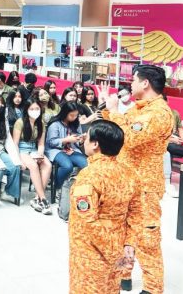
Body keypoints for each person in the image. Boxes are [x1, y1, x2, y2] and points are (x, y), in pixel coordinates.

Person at [98, 64, 173, 294]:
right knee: (122, 234)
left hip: (145, 188)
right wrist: (107, 108)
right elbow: (117, 130)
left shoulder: (159, 113)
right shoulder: (138, 109)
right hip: (126, 183)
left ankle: (152, 288)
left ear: (145, 83)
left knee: (147, 240)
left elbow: (129, 137)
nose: (129, 84)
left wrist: (115, 112)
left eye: (133, 80)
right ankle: (124, 276)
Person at [68, 120, 141, 294]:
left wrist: (114, 253)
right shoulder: (130, 173)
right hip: (120, 246)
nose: (84, 140)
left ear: (95, 144)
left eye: (87, 137)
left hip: (92, 253)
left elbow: (87, 222)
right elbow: (137, 212)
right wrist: (128, 245)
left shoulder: (89, 176)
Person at [13, 99, 53, 215]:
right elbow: (15, 143)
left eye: (37, 109)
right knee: (34, 166)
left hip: (34, 149)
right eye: (32, 109)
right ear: (26, 110)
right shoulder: (20, 122)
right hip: (22, 149)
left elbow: (41, 143)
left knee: (47, 165)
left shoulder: (41, 123)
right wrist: (18, 159)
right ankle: (44, 199)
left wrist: (40, 154)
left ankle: (36, 199)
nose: (35, 111)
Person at [45, 102, 88, 190]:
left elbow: (77, 141)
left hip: (71, 150)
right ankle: (57, 187)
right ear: (65, 113)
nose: (74, 117)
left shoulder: (76, 123)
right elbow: (51, 142)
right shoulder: (55, 124)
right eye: (72, 115)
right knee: (67, 166)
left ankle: (76, 188)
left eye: (76, 115)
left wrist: (81, 140)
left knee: (86, 165)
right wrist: (66, 140)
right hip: (56, 150)